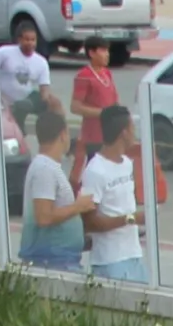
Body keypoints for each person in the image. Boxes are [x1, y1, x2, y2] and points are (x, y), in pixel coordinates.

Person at [79, 104, 147, 283]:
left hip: (134, 255)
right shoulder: (95, 171)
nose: (134, 132)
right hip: (109, 261)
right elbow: (90, 222)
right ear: (124, 132)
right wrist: (132, 219)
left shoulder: (127, 164)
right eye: (132, 127)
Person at [19, 109, 91, 270]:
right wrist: (78, 206)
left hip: (62, 258)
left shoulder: (50, 168)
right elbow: (43, 217)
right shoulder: (44, 169)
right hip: (51, 261)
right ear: (63, 135)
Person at [0, 19, 60, 145]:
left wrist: (48, 102)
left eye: (33, 40)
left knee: (51, 104)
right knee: (20, 106)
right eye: (27, 39)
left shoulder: (41, 62)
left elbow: (44, 89)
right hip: (3, 97)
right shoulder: (5, 52)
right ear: (19, 40)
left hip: (27, 97)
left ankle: (53, 138)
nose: (30, 43)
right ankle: (19, 134)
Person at [68, 41, 117, 178]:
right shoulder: (84, 76)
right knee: (95, 173)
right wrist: (102, 113)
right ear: (91, 53)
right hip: (93, 136)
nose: (107, 54)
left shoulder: (107, 73)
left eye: (107, 51)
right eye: (103, 51)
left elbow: (114, 101)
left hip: (110, 135)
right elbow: (75, 107)